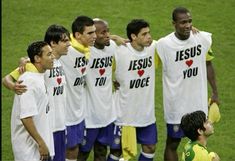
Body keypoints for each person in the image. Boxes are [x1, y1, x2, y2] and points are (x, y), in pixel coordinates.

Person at [155, 7, 219, 161]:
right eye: (183, 22)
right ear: (174, 23)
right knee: (173, 142)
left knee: (200, 138)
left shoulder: (202, 39)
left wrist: (215, 92)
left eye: (189, 21)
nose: (188, 25)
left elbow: (208, 64)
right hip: (176, 105)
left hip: (198, 102)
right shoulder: (164, 44)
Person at [2, 25, 71, 161]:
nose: (69, 44)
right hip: (47, 125)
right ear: (53, 43)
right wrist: (14, 87)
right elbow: (6, 79)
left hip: (59, 123)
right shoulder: (32, 66)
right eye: (65, 40)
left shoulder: (57, 61)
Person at [108, 19, 158, 161]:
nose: (149, 37)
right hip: (124, 114)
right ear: (133, 37)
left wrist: (191, 29)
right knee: (117, 151)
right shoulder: (119, 51)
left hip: (146, 113)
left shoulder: (153, 47)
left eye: (149, 33)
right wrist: (114, 37)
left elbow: (175, 38)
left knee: (150, 147)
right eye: (144, 34)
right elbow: (95, 41)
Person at [77, 18, 120, 161]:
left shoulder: (112, 47)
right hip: (88, 115)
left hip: (107, 113)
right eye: (103, 32)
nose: (107, 35)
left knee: (101, 152)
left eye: (108, 31)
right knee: (82, 154)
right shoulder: (84, 52)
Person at [59, 15, 96, 161]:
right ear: (77, 35)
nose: (95, 36)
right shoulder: (66, 50)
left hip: (79, 113)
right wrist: (24, 60)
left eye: (94, 32)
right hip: (64, 114)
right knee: (63, 150)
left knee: (74, 149)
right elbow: (41, 54)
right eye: (90, 33)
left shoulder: (86, 49)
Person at [10, 41, 55, 161]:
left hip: (38, 147)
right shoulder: (29, 82)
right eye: (49, 54)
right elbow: (26, 117)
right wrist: (41, 143)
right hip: (29, 151)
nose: (53, 57)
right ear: (37, 58)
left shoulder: (39, 75)